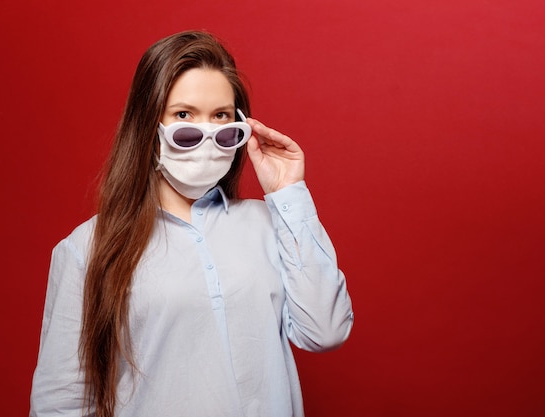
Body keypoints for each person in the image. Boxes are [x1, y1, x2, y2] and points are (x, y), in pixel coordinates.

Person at [30, 30, 353, 417]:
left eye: (221, 116)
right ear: (150, 126)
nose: (207, 133)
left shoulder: (269, 225)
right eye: (184, 115)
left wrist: (289, 194)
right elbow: (60, 402)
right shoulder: (88, 248)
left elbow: (326, 331)